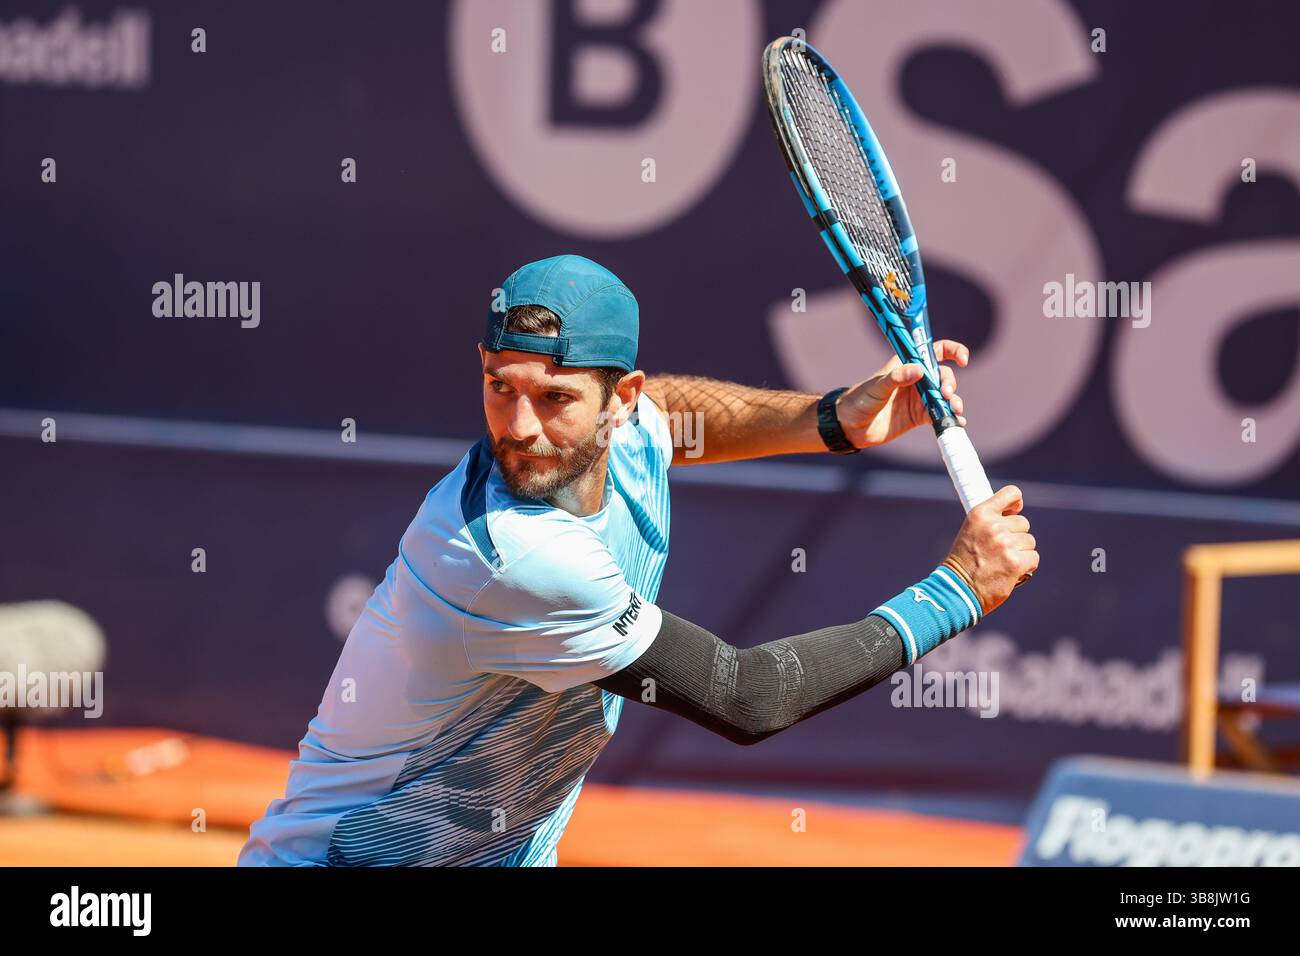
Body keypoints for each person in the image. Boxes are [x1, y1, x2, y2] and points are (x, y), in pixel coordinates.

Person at [238, 254, 1038, 866]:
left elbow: (674, 415)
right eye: (498, 386)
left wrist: (830, 419)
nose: (518, 425)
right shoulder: (508, 555)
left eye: (554, 397)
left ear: (618, 399)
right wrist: (957, 590)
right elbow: (747, 697)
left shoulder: (627, 428)